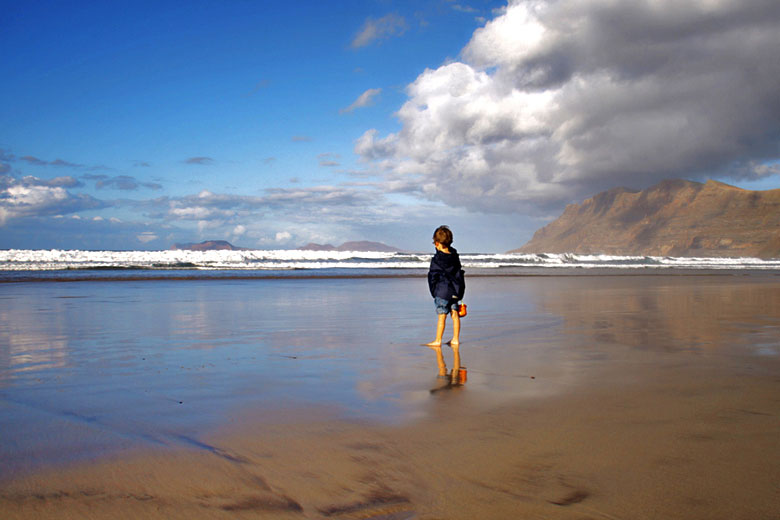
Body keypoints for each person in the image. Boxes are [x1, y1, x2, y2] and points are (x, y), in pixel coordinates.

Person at [425, 225, 466, 380]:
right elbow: (458, 273)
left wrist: (434, 291)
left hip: (442, 291)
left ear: (436, 243)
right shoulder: (455, 256)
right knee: (454, 314)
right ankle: (455, 339)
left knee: (442, 316)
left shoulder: (436, 260)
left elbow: (432, 276)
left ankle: (438, 340)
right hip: (455, 291)